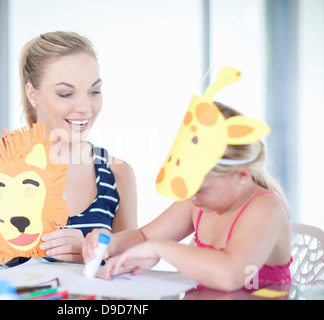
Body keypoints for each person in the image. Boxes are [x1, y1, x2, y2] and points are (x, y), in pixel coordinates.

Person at [0, 31, 137, 265]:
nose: (85, 107)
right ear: (33, 94)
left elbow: (130, 274)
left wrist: (94, 257)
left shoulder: (117, 175)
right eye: (66, 93)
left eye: (94, 91)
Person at [83, 102, 292, 291]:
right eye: (189, 187)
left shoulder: (265, 208)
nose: (191, 196)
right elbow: (145, 237)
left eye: (201, 189)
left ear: (242, 176)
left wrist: (159, 249)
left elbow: (229, 275)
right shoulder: (199, 201)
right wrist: (113, 243)